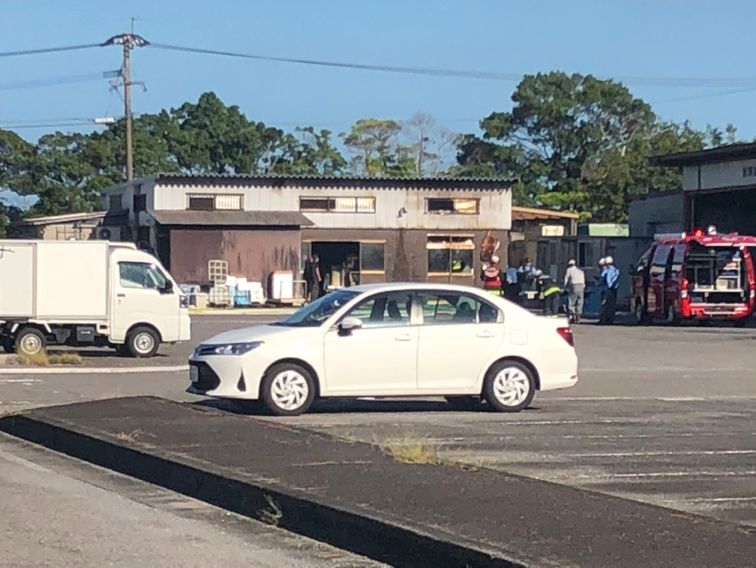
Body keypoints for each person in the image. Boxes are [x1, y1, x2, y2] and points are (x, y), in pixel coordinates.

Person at [599, 256, 620, 324]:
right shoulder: (616, 270)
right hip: (614, 290)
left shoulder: (607, 271)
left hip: (607, 290)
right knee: (612, 305)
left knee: (604, 305)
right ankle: (611, 319)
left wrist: (608, 287)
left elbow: (607, 281)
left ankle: (604, 319)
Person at [564, 259, 586, 323]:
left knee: (571, 301)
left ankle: (572, 316)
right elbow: (583, 281)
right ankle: (578, 317)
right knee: (580, 301)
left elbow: (566, 278)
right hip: (581, 286)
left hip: (574, 286)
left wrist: (565, 287)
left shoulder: (569, 270)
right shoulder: (580, 271)